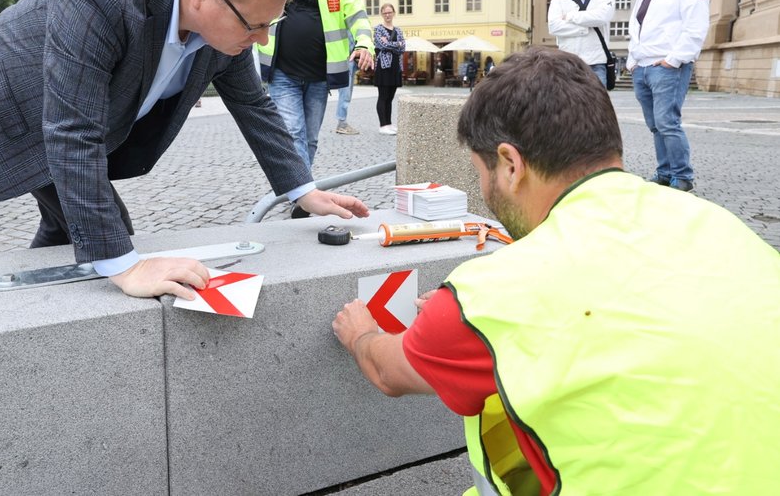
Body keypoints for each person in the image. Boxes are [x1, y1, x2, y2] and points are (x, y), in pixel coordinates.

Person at [333, 47, 780, 496]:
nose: (484, 191)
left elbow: (388, 371)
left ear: (510, 164)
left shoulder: (492, 295)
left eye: (480, 173)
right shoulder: (721, 224)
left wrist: (361, 334)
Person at [0, 0, 369, 300]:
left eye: (271, 24)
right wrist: (126, 269)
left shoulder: (221, 27)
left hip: (69, 113)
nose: (263, 39)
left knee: (69, 227)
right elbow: (72, 130)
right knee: (110, 236)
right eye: (254, 24)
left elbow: (253, 104)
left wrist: (301, 190)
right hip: (6, 102)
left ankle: (34, 308)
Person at [257, 0, 374, 164]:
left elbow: (359, 18)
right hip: (282, 73)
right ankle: (302, 196)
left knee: (310, 138)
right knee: (294, 133)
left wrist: (364, 44)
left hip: (320, 76)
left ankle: (302, 191)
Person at [627, 0, 710, 192]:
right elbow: (636, 31)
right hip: (642, 68)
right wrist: (632, 62)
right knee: (655, 126)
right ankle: (664, 172)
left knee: (667, 123)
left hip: (667, 67)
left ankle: (682, 176)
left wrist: (673, 60)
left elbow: (695, 27)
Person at [547, 0, 616, 87]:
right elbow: (554, 27)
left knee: (597, 108)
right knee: (566, 108)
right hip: (567, 65)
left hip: (596, 64)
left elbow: (602, 16)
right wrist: (585, 29)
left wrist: (571, 16)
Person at [372, 3, 405, 135]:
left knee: (390, 97)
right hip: (384, 66)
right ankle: (382, 125)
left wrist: (392, 44)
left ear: (393, 13)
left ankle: (389, 123)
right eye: (385, 13)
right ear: (382, 14)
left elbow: (403, 47)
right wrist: (397, 44)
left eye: (389, 12)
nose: (387, 15)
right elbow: (381, 44)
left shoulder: (398, 30)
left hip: (396, 66)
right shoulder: (378, 29)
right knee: (383, 95)